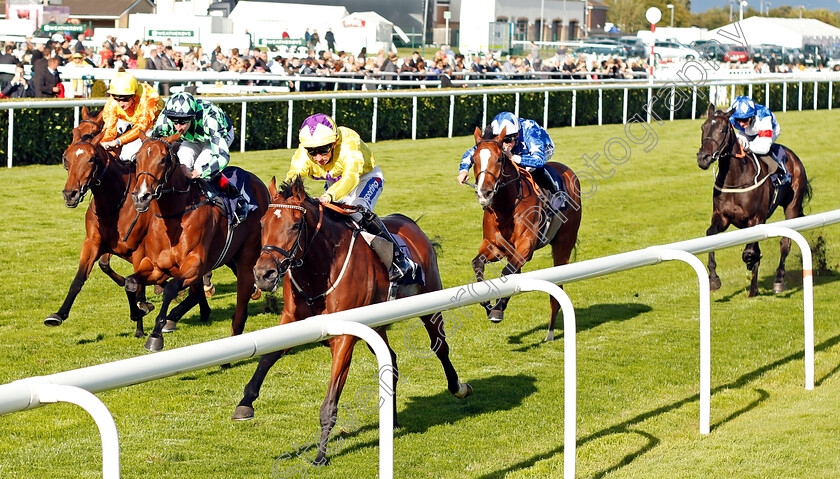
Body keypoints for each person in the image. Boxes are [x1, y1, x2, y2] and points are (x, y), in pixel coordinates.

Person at [285, 113, 417, 283]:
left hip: (365, 178)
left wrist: (329, 196)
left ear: (334, 143)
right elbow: (293, 178)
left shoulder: (349, 141)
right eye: (312, 152)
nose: (318, 158)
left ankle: (399, 259)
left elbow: (351, 178)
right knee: (328, 219)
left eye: (323, 150)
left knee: (358, 213)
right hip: (335, 182)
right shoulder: (303, 153)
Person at [151, 92, 248, 223]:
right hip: (192, 138)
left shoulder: (210, 119)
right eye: (174, 121)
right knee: (182, 165)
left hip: (217, 135)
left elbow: (222, 156)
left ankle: (237, 198)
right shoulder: (165, 119)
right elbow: (152, 146)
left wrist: (197, 172)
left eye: (183, 121)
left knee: (202, 168)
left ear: (193, 116)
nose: (178, 126)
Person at [457, 112, 565, 210]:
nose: (504, 144)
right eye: (502, 140)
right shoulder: (495, 133)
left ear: (517, 135)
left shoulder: (529, 130)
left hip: (542, 148)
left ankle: (555, 194)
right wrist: (463, 170)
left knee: (529, 168)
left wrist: (514, 157)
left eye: (508, 140)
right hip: (517, 149)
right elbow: (473, 152)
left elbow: (539, 160)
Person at [99, 72, 162, 162]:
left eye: (125, 99)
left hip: (152, 125)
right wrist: (104, 142)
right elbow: (109, 127)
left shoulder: (148, 96)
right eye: (117, 98)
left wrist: (117, 142)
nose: (121, 103)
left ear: (134, 95)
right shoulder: (112, 102)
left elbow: (142, 127)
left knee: (127, 155)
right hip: (131, 121)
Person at [728, 95, 790, 186]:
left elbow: (764, 148)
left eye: (744, 119)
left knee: (758, 146)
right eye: (738, 119)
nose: (741, 123)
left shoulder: (764, 117)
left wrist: (746, 145)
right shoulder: (733, 114)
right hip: (748, 131)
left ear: (751, 116)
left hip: (771, 130)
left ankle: (780, 172)